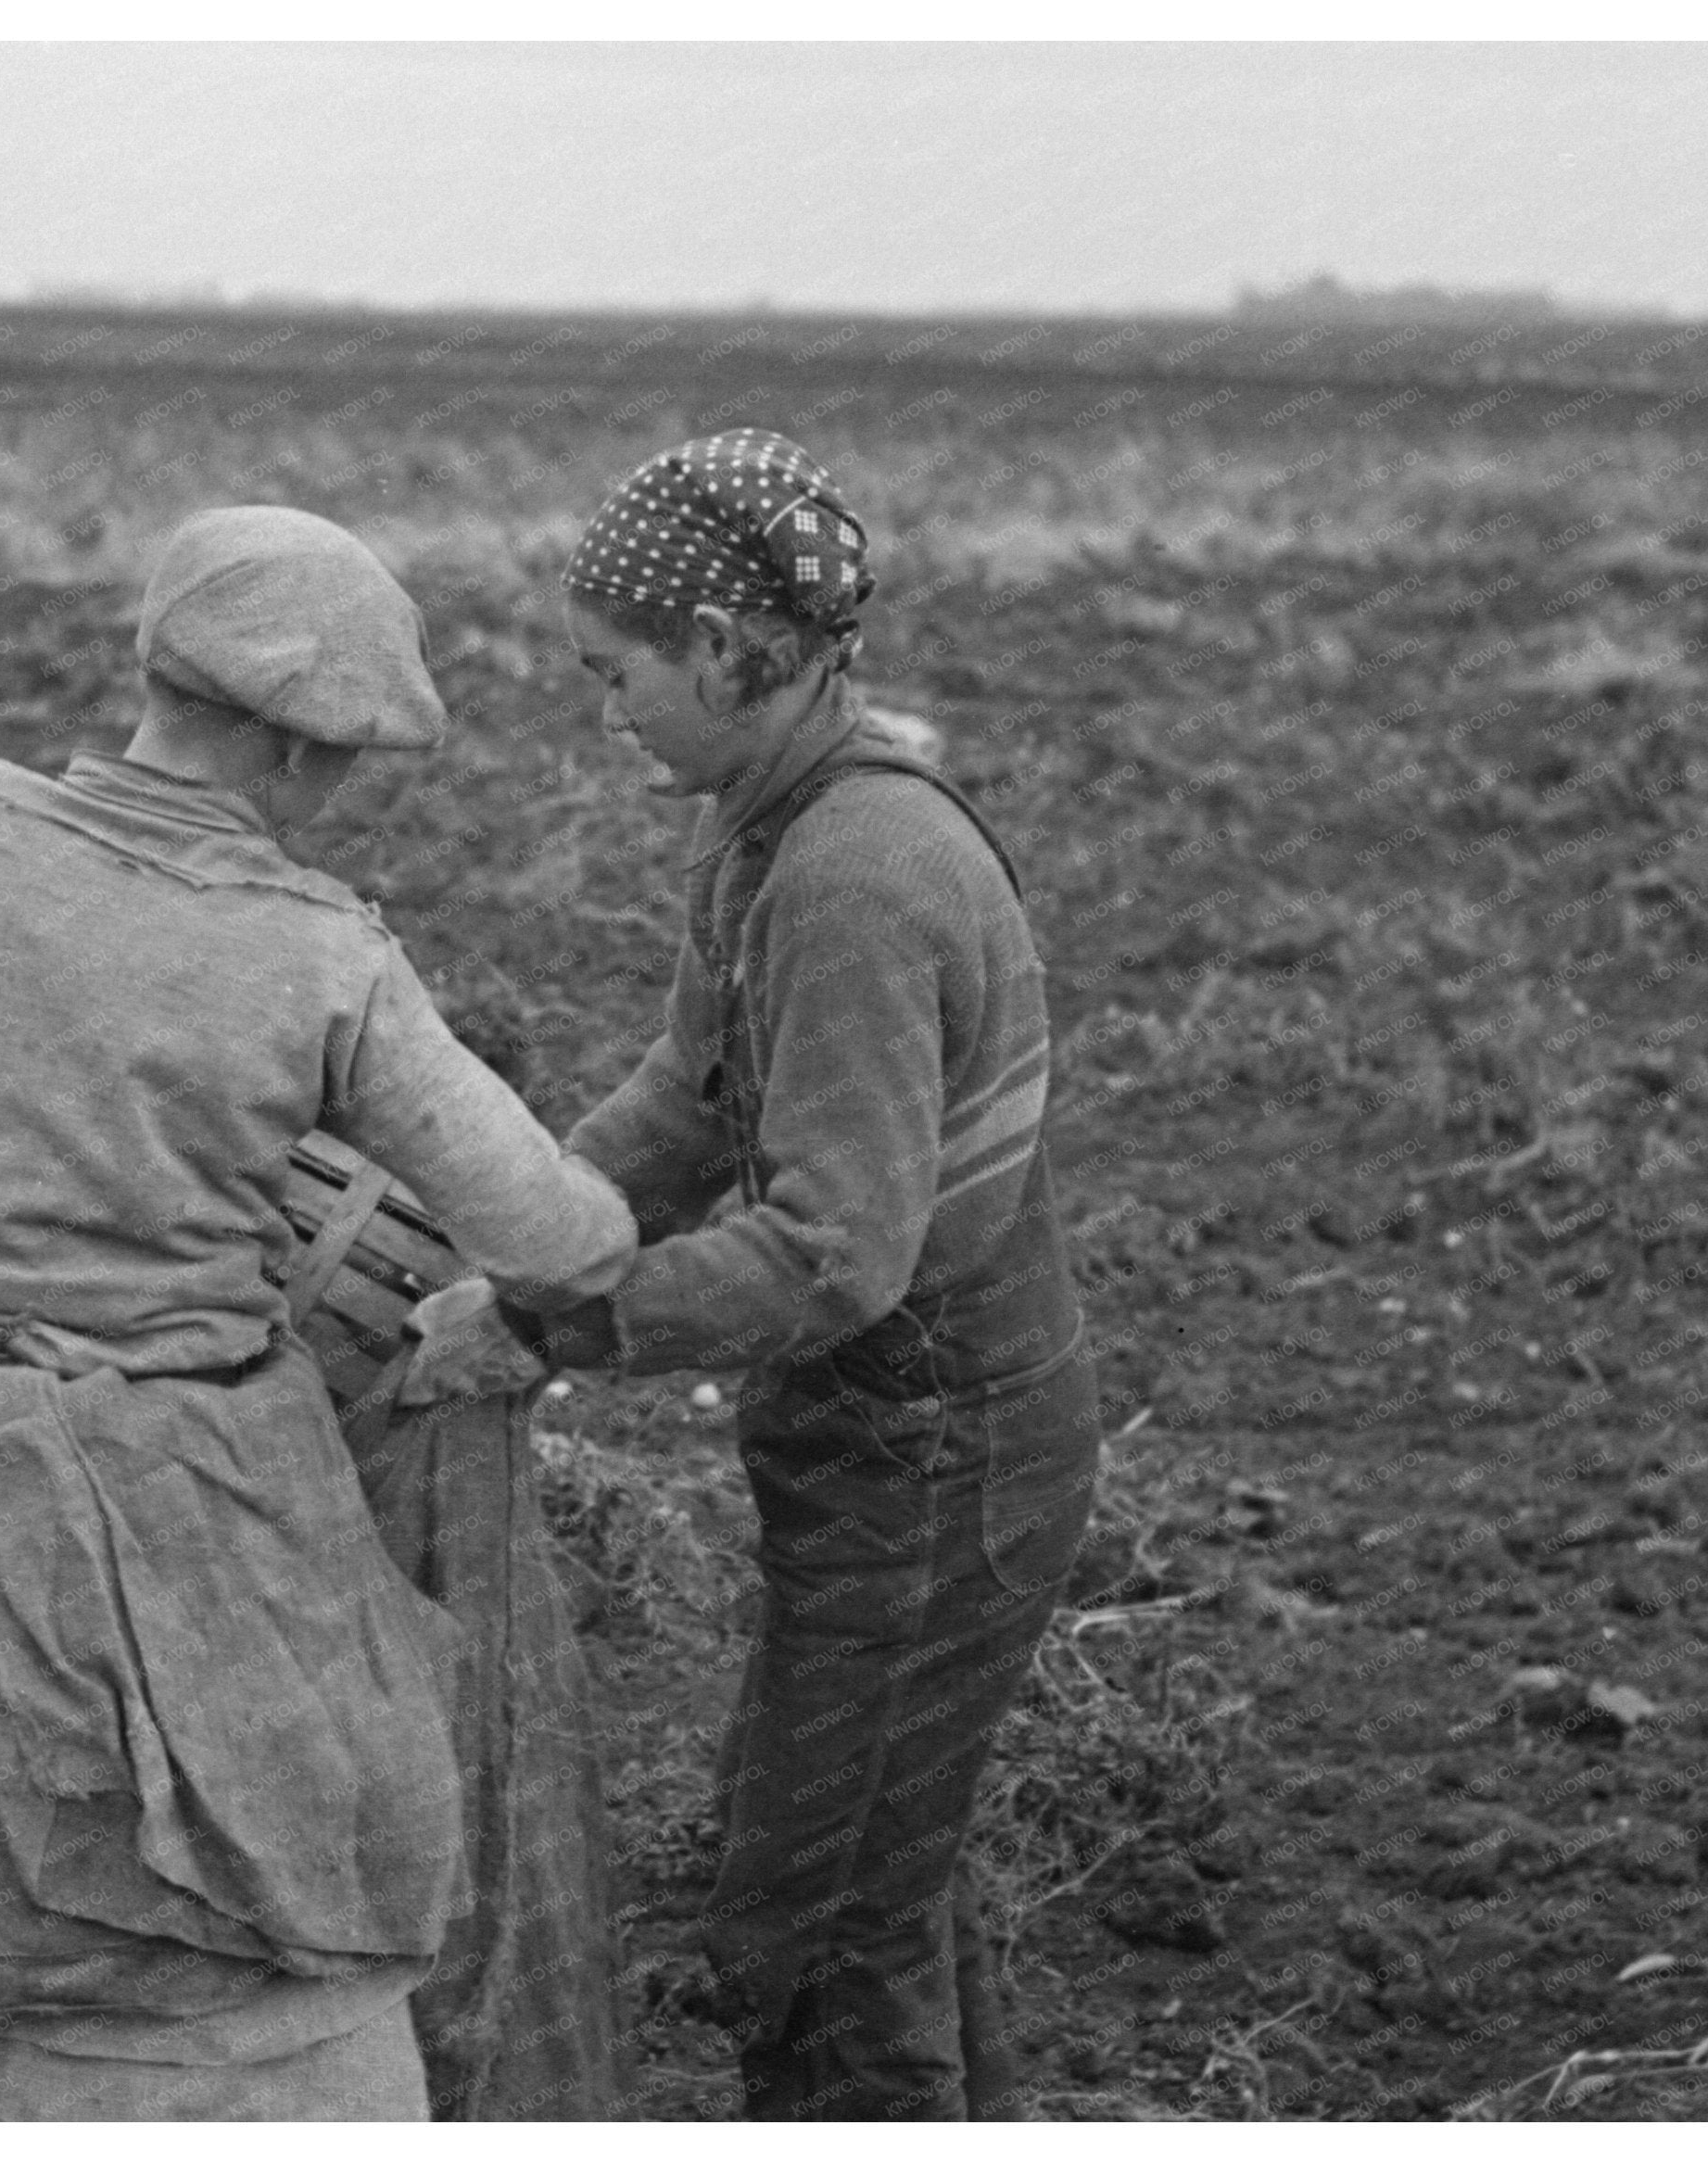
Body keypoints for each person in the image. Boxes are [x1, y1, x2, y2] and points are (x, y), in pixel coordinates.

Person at [0, 506, 637, 2120]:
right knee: (262, 1871)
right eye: (340, 760)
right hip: (195, 1479)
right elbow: (553, 1231)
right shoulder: (319, 951)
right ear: (289, 749)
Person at [405, 428, 1100, 2120]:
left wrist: (544, 1323)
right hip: (894, 1446)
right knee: (877, 1871)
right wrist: (511, 1212)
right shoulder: (761, 826)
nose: (604, 711)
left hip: (941, 1456)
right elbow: (687, 1096)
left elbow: (831, 1253)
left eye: (613, 672)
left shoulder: (854, 876)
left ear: (726, 647)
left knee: (807, 1918)